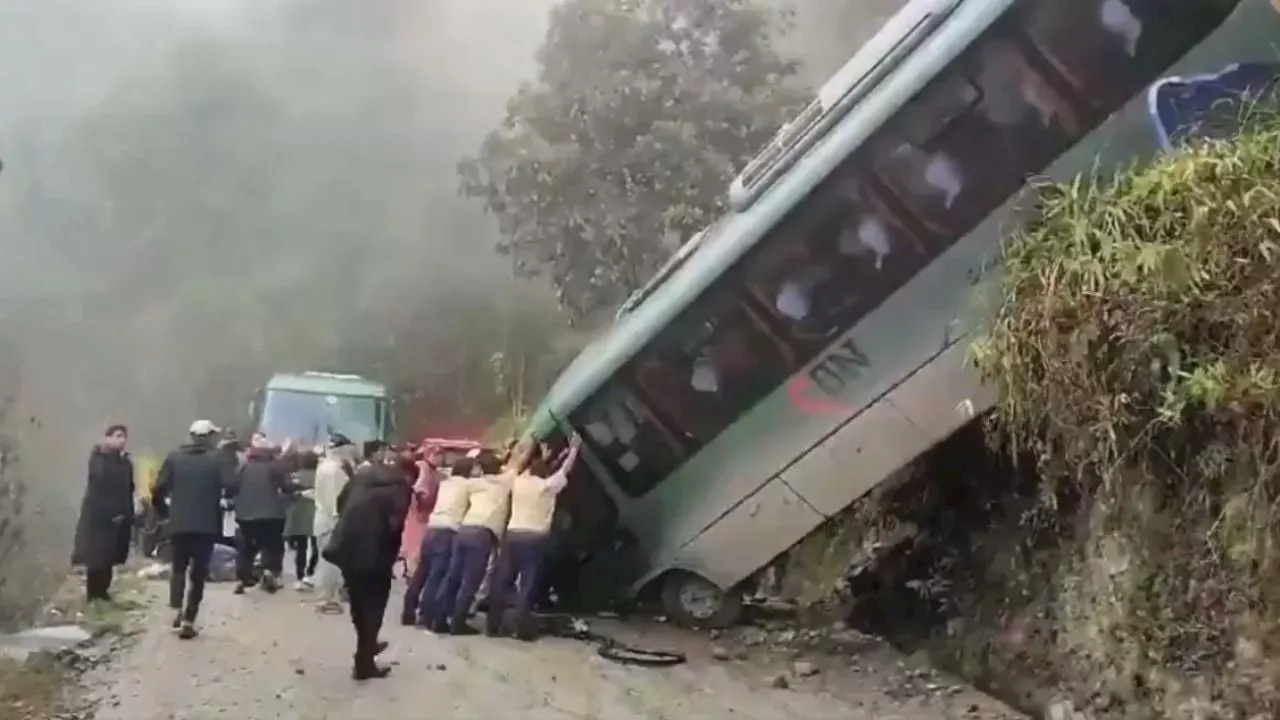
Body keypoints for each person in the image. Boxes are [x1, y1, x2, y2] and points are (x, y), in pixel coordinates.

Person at [323, 446, 410, 680]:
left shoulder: (360, 478)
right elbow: (395, 524)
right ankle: (364, 661)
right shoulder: (400, 487)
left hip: (346, 547)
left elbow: (341, 504)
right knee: (375, 604)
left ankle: (367, 644)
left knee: (358, 601)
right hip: (376, 552)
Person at [486, 436, 581, 640]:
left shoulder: (518, 482)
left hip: (513, 535)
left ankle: (493, 625)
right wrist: (573, 450)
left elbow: (525, 466)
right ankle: (521, 629)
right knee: (528, 583)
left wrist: (532, 451)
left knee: (503, 580)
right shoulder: (547, 487)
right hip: (534, 538)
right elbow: (564, 470)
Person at [152, 420, 235, 639]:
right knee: (198, 573)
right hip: (206, 524)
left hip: (179, 523)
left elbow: (158, 489)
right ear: (208, 437)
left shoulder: (174, 457)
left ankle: (176, 609)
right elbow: (232, 485)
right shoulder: (217, 459)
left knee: (178, 568)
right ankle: (189, 618)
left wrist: (164, 512)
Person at [434, 447, 515, 635]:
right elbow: (518, 462)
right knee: (470, 581)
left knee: (453, 577)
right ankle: (458, 623)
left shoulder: (474, 483)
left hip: (464, 529)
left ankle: (438, 619)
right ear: (499, 468)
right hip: (482, 534)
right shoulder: (505, 482)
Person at [71, 424, 135, 603]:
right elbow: (99, 488)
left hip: (120, 517)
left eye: (123, 437)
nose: (121, 440)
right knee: (97, 556)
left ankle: (103, 591)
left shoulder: (125, 463)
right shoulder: (100, 459)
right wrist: (111, 512)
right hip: (99, 517)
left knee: (111, 556)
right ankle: (94, 593)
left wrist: (128, 513)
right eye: (117, 436)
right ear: (108, 438)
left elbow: (127, 489)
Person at [406, 456, 473, 627]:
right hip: (448, 531)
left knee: (422, 571)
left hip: (432, 527)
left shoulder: (446, 483)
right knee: (437, 575)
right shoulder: (468, 486)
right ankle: (426, 614)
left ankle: (408, 610)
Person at [231, 432, 294, 594]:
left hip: (245, 514)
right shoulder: (274, 466)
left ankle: (242, 578)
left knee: (247, 546)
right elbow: (286, 486)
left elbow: (233, 486)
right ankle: (270, 571)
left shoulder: (243, 466)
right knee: (272, 544)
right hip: (271, 513)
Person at [312, 433, 357, 614]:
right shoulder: (333, 470)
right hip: (331, 521)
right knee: (329, 564)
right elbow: (334, 500)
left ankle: (329, 596)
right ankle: (326, 599)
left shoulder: (328, 467)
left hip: (326, 519)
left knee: (328, 562)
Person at [284, 450, 320, 590]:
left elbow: (286, 492)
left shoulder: (293, 476)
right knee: (316, 547)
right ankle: (310, 572)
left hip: (298, 515)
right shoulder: (319, 476)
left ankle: (299, 575)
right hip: (316, 514)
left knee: (301, 548)